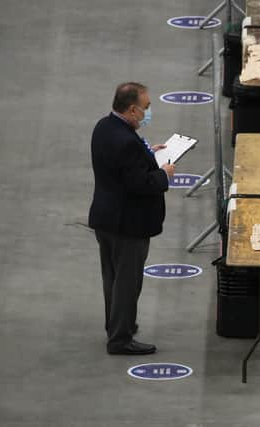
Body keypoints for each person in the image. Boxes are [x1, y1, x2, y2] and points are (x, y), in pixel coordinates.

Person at [89, 82, 175, 355]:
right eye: (146, 108)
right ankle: (120, 339)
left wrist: (150, 154)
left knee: (112, 277)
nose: (148, 112)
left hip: (106, 217)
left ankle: (116, 324)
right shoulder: (125, 140)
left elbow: (125, 165)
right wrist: (164, 174)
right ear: (132, 109)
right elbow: (139, 184)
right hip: (127, 223)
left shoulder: (105, 126)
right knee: (127, 282)